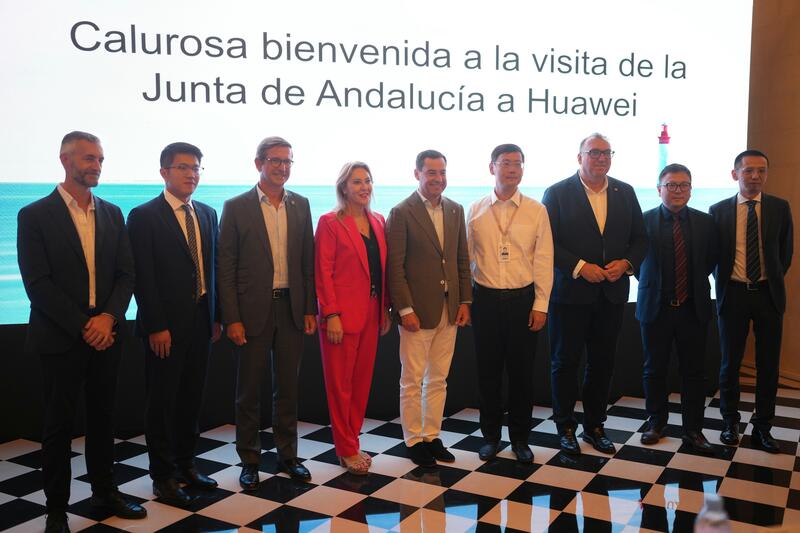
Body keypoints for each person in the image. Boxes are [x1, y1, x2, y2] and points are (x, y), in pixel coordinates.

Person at [17, 131, 144, 533]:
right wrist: (85, 324)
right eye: (89, 158)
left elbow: (126, 274)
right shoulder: (34, 215)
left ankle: (105, 492)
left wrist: (107, 318)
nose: (96, 166)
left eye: (100, 159)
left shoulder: (112, 213)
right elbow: (37, 284)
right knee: (58, 426)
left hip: (107, 334)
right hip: (61, 337)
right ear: (65, 160)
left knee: (103, 420)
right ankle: (56, 509)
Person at [218, 136, 317, 488]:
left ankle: (288, 456)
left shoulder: (301, 204)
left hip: (291, 308)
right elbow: (225, 268)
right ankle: (249, 460)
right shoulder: (236, 206)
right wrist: (231, 317)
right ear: (258, 163)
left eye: (287, 161)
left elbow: (307, 262)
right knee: (249, 391)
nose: (282, 167)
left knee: (287, 388)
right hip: (251, 313)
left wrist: (310, 308)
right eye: (275, 160)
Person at [127, 142, 222, 506]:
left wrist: (217, 316)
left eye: (196, 168)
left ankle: (186, 466)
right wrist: (155, 325)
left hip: (201, 321)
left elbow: (213, 269)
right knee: (162, 403)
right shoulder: (144, 216)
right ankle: (162, 476)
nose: (191, 174)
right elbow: (142, 275)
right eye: (183, 167)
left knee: (191, 399)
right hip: (164, 327)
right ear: (164, 172)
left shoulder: (207, 213)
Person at [542, 133, 647, 455]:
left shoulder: (625, 192)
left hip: (611, 295)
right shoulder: (557, 193)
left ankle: (595, 427)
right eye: (594, 152)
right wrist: (579, 266)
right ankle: (565, 427)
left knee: (602, 364)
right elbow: (547, 242)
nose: (601, 158)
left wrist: (627, 263)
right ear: (580, 157)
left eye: (607, 152)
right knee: (565, 363)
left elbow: (640, 239)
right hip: (569, 295)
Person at [467, 144, 553, 463]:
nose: (512, 169)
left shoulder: (536, 210)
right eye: (505, 163)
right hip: (485, 301)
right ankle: (490, 438)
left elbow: (544, 259)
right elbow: (466, 260)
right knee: (488, 374)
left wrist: (541, 304)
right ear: (492, 168)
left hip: (522, 301)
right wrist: (465, 301)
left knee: (522, 375)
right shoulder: (475, 209)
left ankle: (520, 439)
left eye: (518, 163)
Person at [386, 149, 472, 467]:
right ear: (417, 174)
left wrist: (465, 301)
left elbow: (461, 260)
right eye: (431, 172)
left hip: (449, 309)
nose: (438, 178)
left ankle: (432, 436)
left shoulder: (455, 209)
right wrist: (405, 309)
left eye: (442, 172)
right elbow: (395, 268)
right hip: (417, 313)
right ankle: (414, 440)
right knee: (412, 380)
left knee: (438, 379)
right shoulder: (401, 212)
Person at [710, 149, 793, 453]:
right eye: (748, 171)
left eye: (761, 171)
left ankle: (762, 427)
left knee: (768, 365)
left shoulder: (780, 208)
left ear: (766, 174)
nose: (755, 176)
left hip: (768, 295)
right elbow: (714, 255)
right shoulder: (718, 210)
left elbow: (785, 254)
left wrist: (768, 279)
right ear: (735, 174)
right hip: (733, 294)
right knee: (729, 363)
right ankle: (729, 423)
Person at [635, 164, 718, 453]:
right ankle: (656, 423)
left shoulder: (706, 223)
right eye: (671, 185)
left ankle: (693, 430)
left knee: (694, 372)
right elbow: (638, 266)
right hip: (655, 308)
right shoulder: (643, 221)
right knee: (653, 370)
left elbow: (710, 261)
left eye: (684, 185)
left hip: (692, 309)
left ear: (691, 190)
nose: (678, 190)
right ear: (659, 189)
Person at [315, 162, 391, 474]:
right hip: (341, 317)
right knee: (340, 386)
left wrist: (385, 309)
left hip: (372, 312)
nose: (364, 187)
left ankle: (353, 440)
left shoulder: (378, 221)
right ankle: (345, 448)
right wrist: (331, 313)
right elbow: (323, 272)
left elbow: (381, 271)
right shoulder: (330, 222)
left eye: (368, 181)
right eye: (356, 181)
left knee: (360, 385)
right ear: (343, 188)